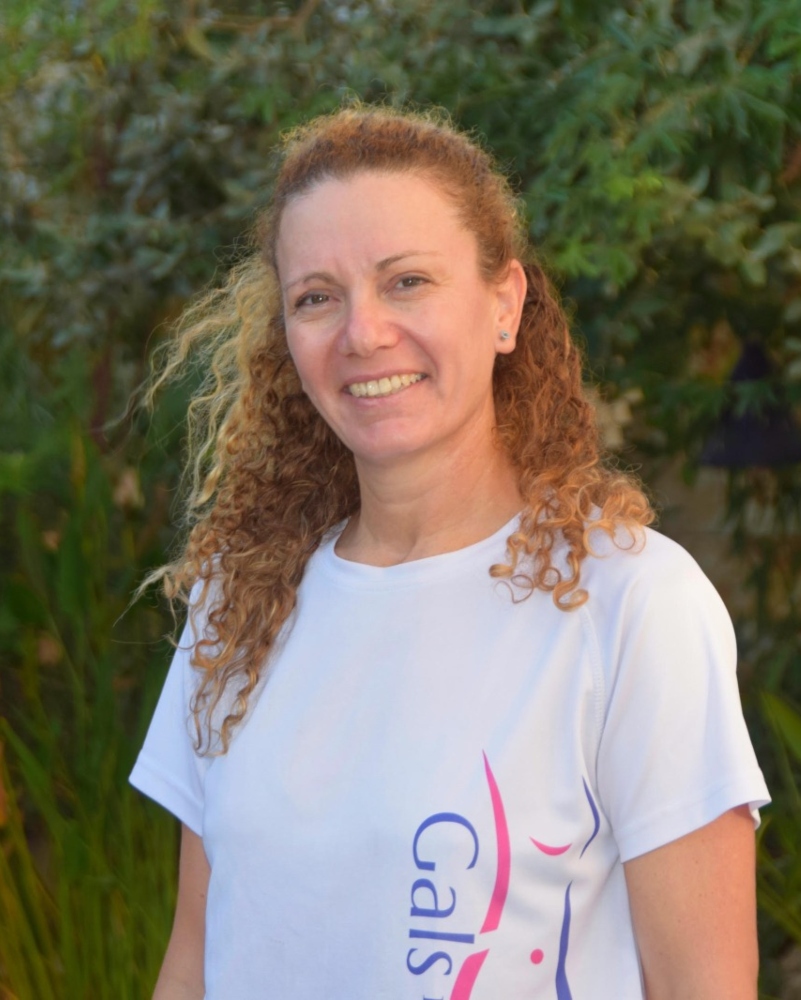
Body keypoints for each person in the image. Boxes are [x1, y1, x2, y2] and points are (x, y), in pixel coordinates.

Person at [130, 105, 770, 1000]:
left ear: (504, 305)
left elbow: (703, 984)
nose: (362, 333)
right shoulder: (237, 604)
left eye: (406, 282)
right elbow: (196, 957)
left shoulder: (629, 602)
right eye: (316, 297)